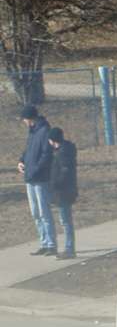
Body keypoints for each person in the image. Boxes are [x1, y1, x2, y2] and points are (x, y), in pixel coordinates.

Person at [17, 104, 54, 254]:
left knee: (44, 212)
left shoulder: (44, 131)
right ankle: (43, 242)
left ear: (30, 118)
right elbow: (28, 150)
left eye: (24, 119)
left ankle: (51, 244)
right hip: (30, 178)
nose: (24, 122)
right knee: (35, 212)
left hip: (40, 178)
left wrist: (35, 169)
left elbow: (46, 155)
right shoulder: (32, 132)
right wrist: (21, 160)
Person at [46, 123, 76, 258]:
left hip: (63, 191)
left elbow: (64, 172)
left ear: (53, 140)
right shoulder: (65, 150)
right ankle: (69, 248)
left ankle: (69, 249)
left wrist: (55, 184)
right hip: (66, 190)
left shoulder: (62, 153)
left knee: (65, 221)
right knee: (66, 220)